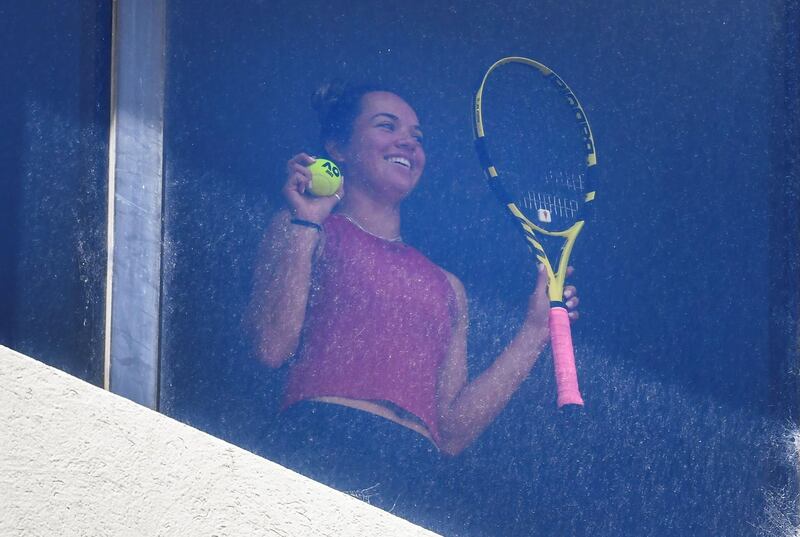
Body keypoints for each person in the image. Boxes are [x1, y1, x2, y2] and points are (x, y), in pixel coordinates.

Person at [247, 82, 579, 501]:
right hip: (321, 437)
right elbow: (271, 347)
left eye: (417, 137)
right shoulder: (305, 228)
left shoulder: (448, 286)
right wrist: (307, 221)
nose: (408, 142)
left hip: (414, 470)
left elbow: (453, 433)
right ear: (339, 146)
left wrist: (534, 331)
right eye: (387, 126)